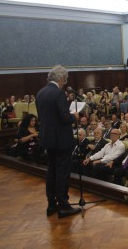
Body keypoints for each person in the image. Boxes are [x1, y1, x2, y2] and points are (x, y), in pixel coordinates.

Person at [36, 65, 80, 218]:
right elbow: (64, 117)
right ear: (61, 78)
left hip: (47, 138)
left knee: (51, 171)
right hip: (61, 139)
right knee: (62, 172)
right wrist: (74, 116)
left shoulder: (41, 92)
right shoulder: (58, 93)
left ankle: (51, 204)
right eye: (65, 80)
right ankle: (63, 205)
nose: (65, 83)